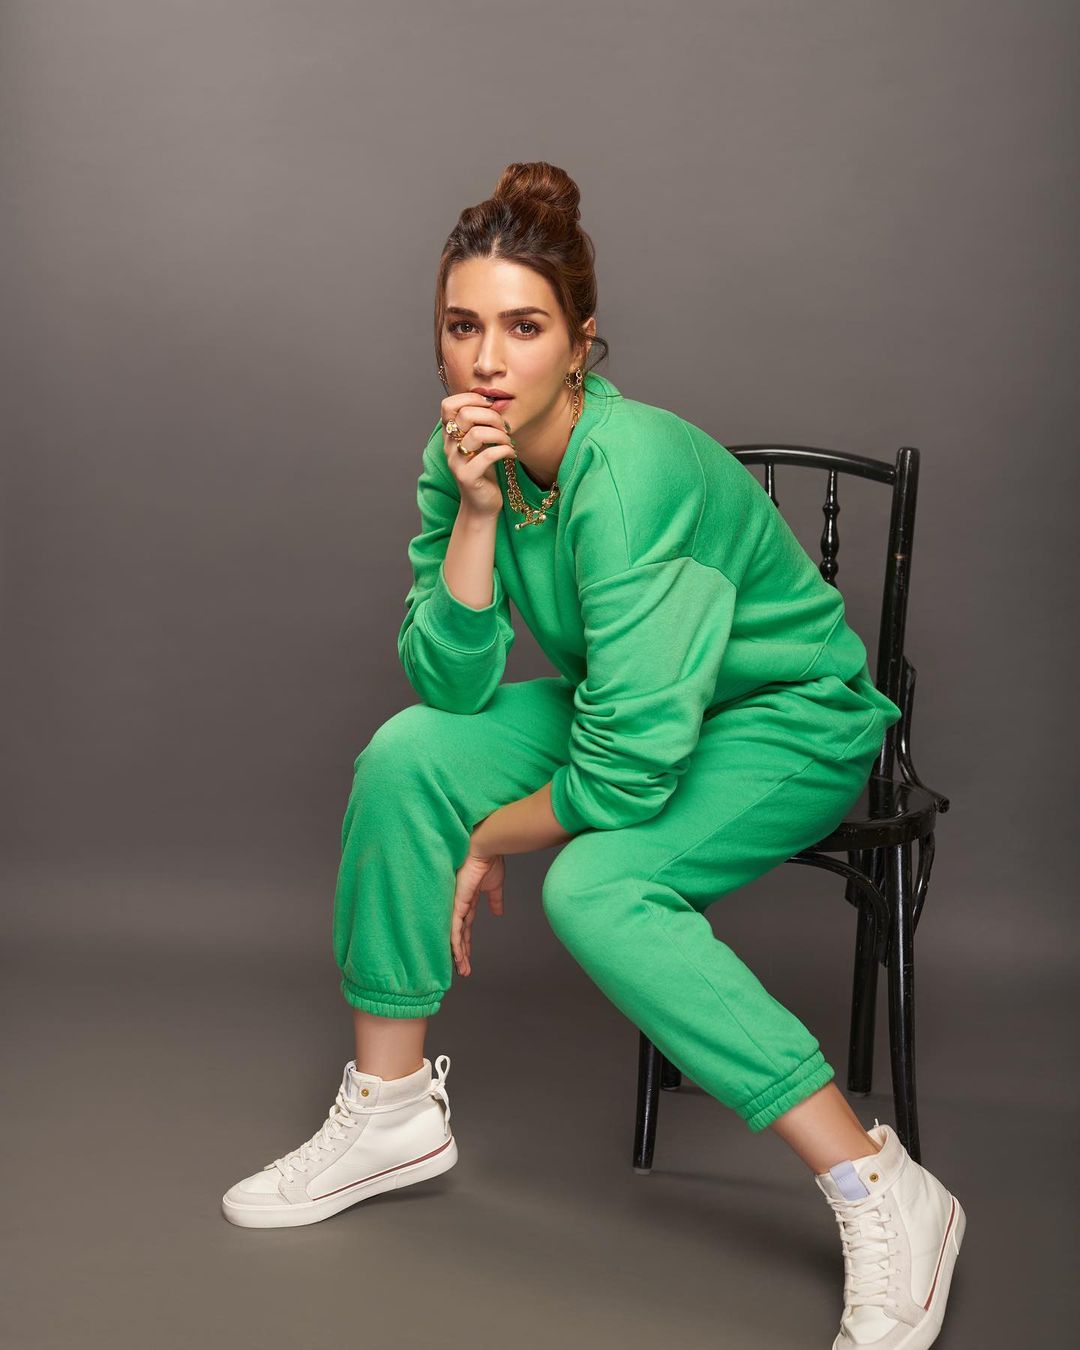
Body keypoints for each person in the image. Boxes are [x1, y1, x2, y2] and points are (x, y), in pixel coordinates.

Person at [221, 161, 965, 1349]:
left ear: (581, 344)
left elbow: (625, 777)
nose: (486, 361)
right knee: (407, 755)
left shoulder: (631, 476)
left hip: (783, 717)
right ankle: (392, 1110)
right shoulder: (465, 453)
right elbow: (450, 687)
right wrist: (474, 513)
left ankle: (881, 1183)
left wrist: (491, 835)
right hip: (634, 705)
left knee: (598, 886)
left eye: (524, 327)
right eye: (461, 327)